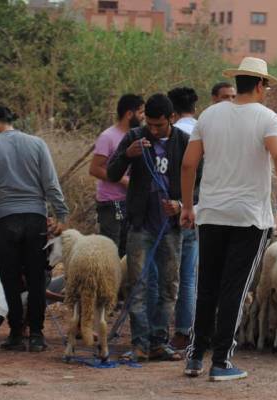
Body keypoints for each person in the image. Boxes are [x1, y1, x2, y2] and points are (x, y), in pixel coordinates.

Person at [180, 57, 277, 381]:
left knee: (207, 286)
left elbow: (188, 165)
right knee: (235, 288)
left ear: (239, 82)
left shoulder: (209, 115)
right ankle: (221, 361)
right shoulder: (268, 118)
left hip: (211, 212)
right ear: (260, 85)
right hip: (249, 217)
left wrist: (188, 206)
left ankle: (193, 357)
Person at [107, 94, 187, 363]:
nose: (153, 131)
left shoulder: (184, 143)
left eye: (159, 126)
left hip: (171, 228)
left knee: (169, 287)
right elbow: (111, 173)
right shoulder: (133, 138)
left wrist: (182, 204)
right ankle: (139, 344)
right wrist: (127, 156)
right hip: (140, 225)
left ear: (171, 119)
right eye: (149, 125)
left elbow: (200, 183)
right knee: (137, 286)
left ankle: (158, 342)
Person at [0, 105, 69, 352]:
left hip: (5, 220)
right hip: (35, 218)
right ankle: (37, 335)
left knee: (10, 279)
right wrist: (61, 213)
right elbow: (50, 183)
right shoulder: (37, 143)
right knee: (37, 278)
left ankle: (16, 333)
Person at [89, 94, 145, 257]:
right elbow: (94, 169)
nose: (143, 117)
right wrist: (122, 179)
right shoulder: (108, 137)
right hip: (110, 203)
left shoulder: (138, 135)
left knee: (129, 251)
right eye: (140, 112)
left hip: (131, 202)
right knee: (111, 251)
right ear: (129, 114)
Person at [167, 86, 201, 350]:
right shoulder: (206, 129)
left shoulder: (174, 136)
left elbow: (183, 170)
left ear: (172, 111)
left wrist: (181, 204)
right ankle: (186, 330)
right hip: (204, 210)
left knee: (169, 273)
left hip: (177, 210)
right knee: (191, 275)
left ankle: (167, 331)